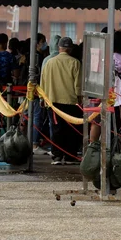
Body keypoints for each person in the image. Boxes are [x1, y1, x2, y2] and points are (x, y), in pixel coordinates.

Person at [39, 37, 83, 165]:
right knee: (72, 129)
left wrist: (42, 98)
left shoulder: (49, 63)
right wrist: (80, 99)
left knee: (56, 129)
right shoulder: (75, 63)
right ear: (70, 49)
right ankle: (70, 156)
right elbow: (78, 85)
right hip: (71, 102)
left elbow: (43, 82)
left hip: (53, 102)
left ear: (59, 48)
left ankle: (57, 156)